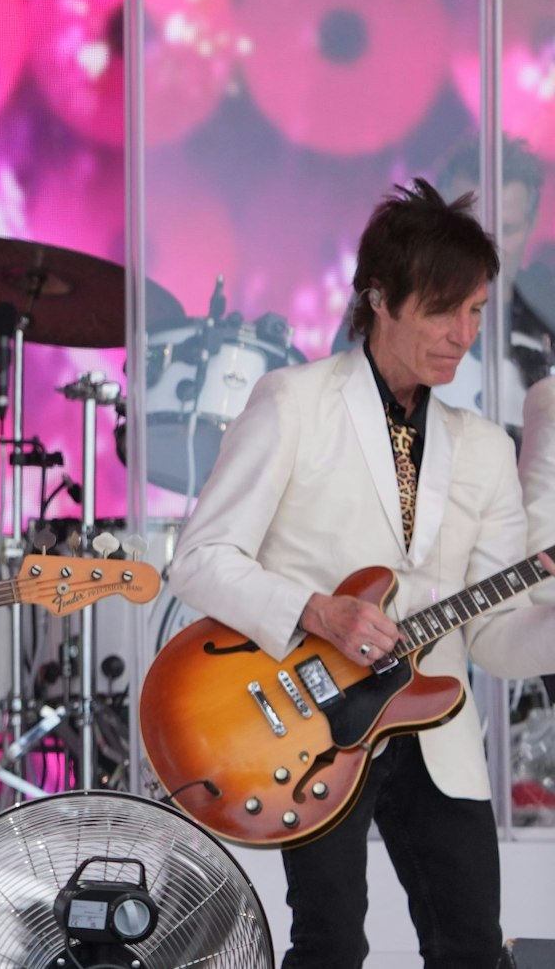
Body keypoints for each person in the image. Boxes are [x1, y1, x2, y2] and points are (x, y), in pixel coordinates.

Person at [171, 180, 555, 967]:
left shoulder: (483, 446)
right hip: (308, 723)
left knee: (475, 948)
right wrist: (317, 611)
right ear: (378, 296)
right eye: (443, 309)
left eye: (477, 310)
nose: (463, 333)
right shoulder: (293, 402)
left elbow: (492, 641)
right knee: (329, 944)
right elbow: (200, 559)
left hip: (436, 729)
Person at [429, 137, 552, 429]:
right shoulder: (400, 310)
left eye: (507, 229)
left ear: (531, 225)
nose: (490, 248)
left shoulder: (548, 311)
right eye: (472, 229)